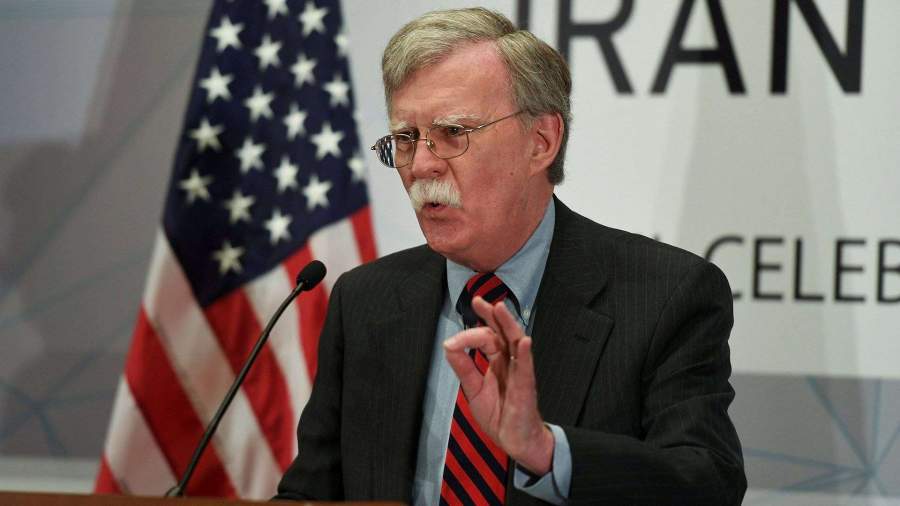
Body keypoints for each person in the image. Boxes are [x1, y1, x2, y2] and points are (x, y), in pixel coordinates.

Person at [276, 7, 746, 505]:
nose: (422, 165)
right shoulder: (365, 300)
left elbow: (708, 484)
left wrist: (547, 452)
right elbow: (312, 494)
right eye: (407, 139)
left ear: (541, 142)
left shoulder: (663, 295)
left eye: (453, 133)